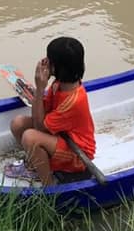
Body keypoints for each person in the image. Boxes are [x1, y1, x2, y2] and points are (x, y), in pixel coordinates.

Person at [6, 37, 96, 185]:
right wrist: (40, 90)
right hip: (60, 136)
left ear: (57, 68)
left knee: (30, 137)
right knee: (18, 123)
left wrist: (40, 88)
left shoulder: (73, 101)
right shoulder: (58, 85)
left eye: (49, 60)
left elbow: (38, 126)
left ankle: (48, 187)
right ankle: (35, 165)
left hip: (78, 154)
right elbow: (42, 111)